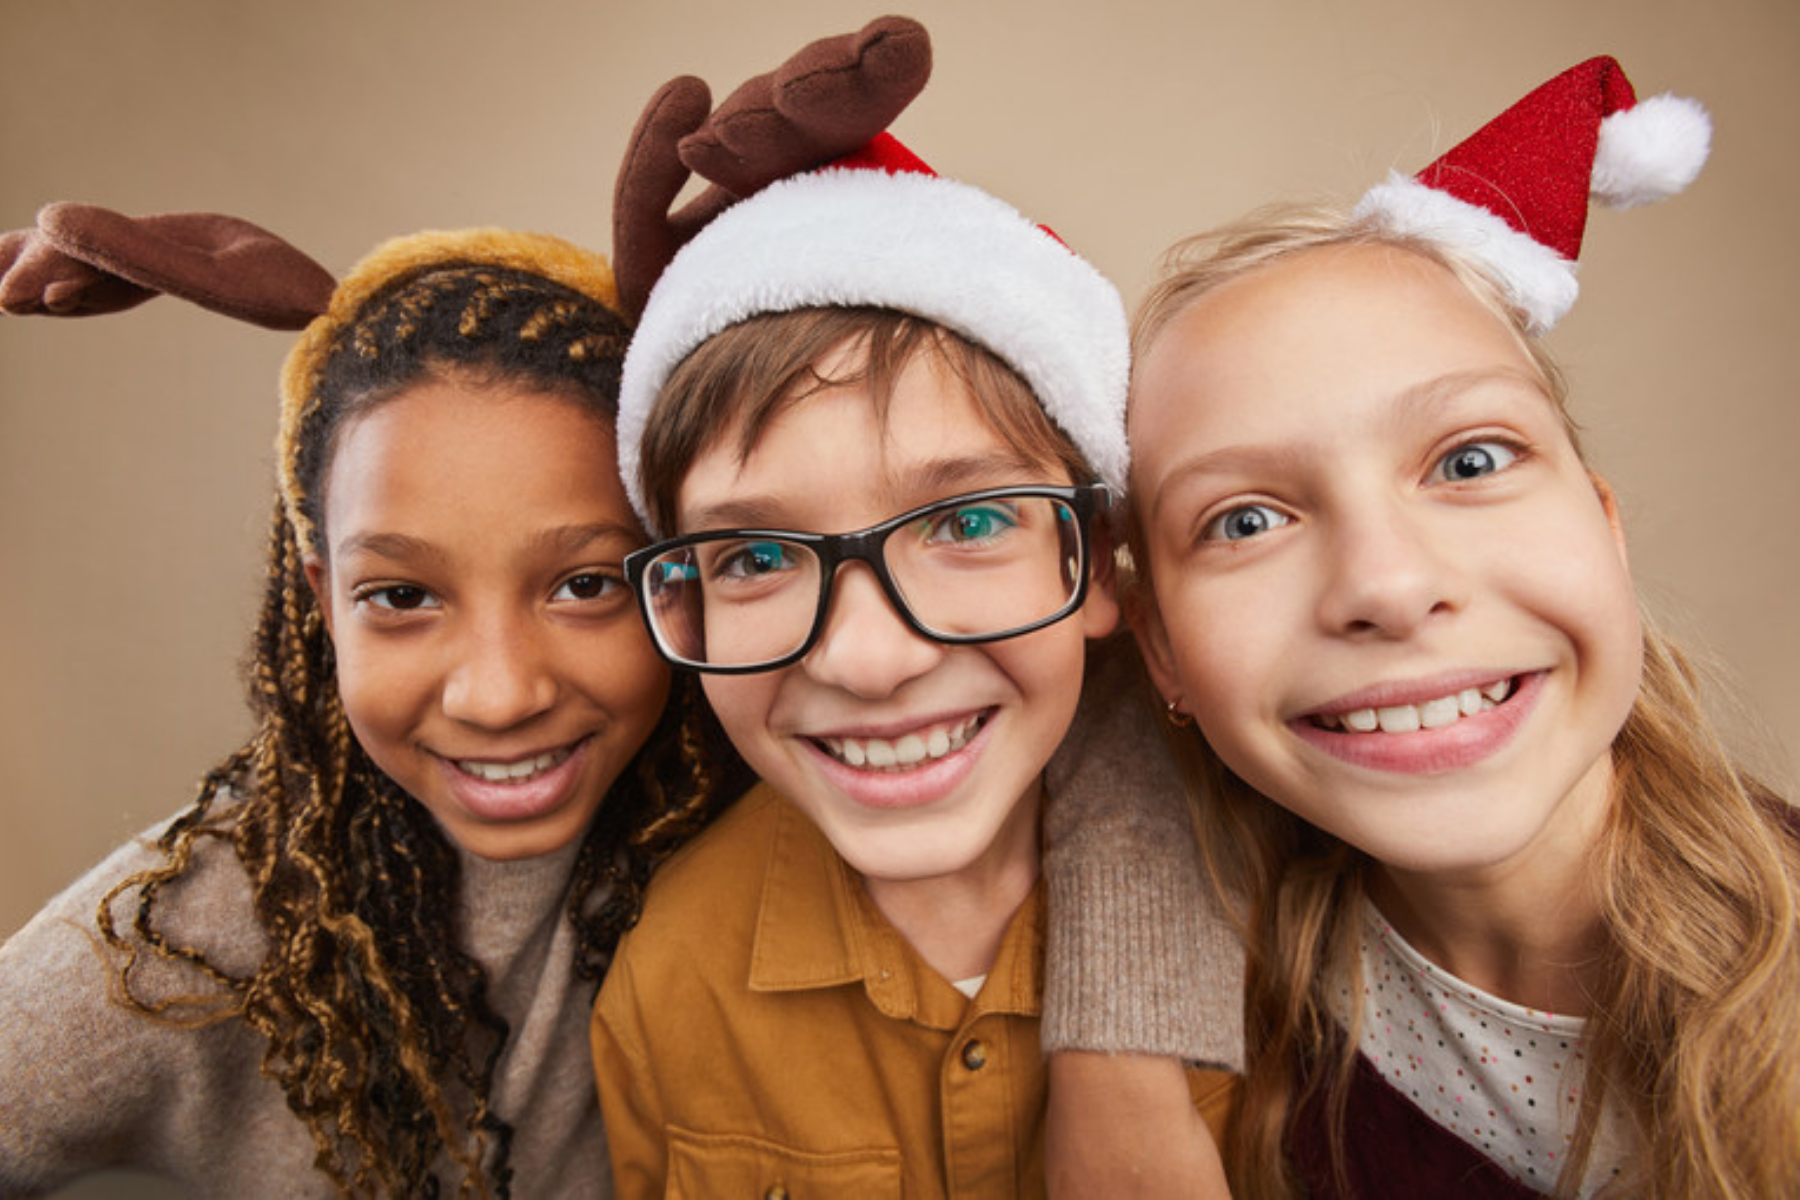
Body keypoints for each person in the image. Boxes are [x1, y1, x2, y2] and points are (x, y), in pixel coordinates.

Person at [1112, 56, 1799, 1198]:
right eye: (1243, 520)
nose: (1387, 582)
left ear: (1604, 525)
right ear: (1161, 650)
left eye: (1471, 460)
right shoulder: (1222, 1027)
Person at [0, 214, 742, 1197]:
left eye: (586, 585)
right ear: (323, 602)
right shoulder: (183, 939)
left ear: (675, 576)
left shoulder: (739, 810)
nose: (501, 693)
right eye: (402, 597)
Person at [589, 117, 1239, 1195]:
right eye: (755, 553)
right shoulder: (669, 983)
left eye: (971, 525)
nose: (869, 659)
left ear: (1098, 562)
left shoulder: (1287, 906)